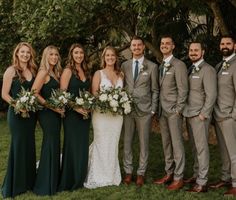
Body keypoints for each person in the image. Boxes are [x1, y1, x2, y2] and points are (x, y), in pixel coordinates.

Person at [1, 42, 37, 198]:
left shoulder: (33, 70)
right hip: (16, 114)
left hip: (30, 115)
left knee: (29, 145)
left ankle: (28, 182)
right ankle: (15, 185)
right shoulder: (11, 70)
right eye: (22, 52)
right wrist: (18, 105)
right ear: (17, 54)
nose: (25, 55)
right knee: (18, 145)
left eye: (28, 52)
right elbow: (4, 94)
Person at [84, 46, 123, 188]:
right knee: (101, 142)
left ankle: (111, 174)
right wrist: (105, 102)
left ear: (116, 57)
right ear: (104, 57)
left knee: (113, 144)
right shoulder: (98, 73)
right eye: (108, 55)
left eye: (112, 55)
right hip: (101, 115)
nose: (110, 58)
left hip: (117, 116)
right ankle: (98, 174)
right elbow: (94, 94)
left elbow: (123, 94)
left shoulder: (121, 74)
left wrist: (120, 103)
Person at [122, 35, 159, 187]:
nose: (136, 48)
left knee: (144, 143)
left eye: (139, 45)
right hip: (128, 110)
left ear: (143, 47)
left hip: (145, 111)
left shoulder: (152, 66)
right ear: (130, 48)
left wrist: (153, 110)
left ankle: (141, 173)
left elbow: (155, 90)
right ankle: (128, 171)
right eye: (134, 45)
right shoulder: (124, 65)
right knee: (127, 141)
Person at [153, 35, 188, 190]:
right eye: (162, 43)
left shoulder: (178, 65)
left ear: (173, 46)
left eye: (168, 43)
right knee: (166, 143)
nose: (164, 45)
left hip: (173, 111)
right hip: (162, 111)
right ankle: (169, 173)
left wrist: (178, 110)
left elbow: (183, 89)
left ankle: (179, 177)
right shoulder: (161, 65)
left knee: (177, 144)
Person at [183, 41, 217, 192]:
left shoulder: (208, 69)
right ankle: (197, 175)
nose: (193, 52)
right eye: (191, 50)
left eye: (196, 50)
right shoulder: (190, 68)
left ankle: (202, 182)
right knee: (194, 148)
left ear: (203, 52)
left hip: (200, 116)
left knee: (202, 148)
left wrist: (204, 114)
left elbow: (212, 94)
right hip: (189, 114)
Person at [58, 44, 91, 191]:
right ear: (71, 54)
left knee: (82, 146)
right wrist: (76, 108)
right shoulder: (67, 71)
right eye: (76, 53)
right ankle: (69, 178)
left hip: (85, 115)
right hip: (72, 115)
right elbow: (62, 94)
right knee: (72, 145)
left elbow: (88, 92)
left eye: (81, 52)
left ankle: (80, 176)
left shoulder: (85, 70)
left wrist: (88, 106)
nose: (79, 55)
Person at [32, 45, 63, 195]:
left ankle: (53, 180)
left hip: (55, 113)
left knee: (54, 144)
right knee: (50, 144)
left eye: (56, 55)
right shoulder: (43, 72)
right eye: (51, 54)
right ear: (46, 56)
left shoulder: (55, 72)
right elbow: (34, 93)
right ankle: (45, 184)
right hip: (47, 113)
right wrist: (52, 107)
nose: (54, 57)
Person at [210, 35, 236, 196]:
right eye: (222, 43)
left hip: (229, 116)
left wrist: (234, 115)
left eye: (228, 43)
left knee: (233, 152)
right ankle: (226, 178)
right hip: (218, 115)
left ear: (235, 46)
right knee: (224, 151)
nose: (225, 46)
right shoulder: (220, 65)